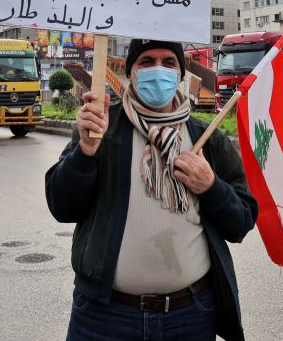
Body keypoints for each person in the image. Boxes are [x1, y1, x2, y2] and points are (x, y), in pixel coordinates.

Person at [45, 39, 258, 341]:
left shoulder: (206, 138)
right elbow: (62, 207)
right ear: (130, 72)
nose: (158, 70)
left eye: (169, 62)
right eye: (146, 61)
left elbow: (241, 222)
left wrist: (211, 187)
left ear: (180, 73)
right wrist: (85, 151)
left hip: (191, 317)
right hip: (104, 318)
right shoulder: (101, 128)